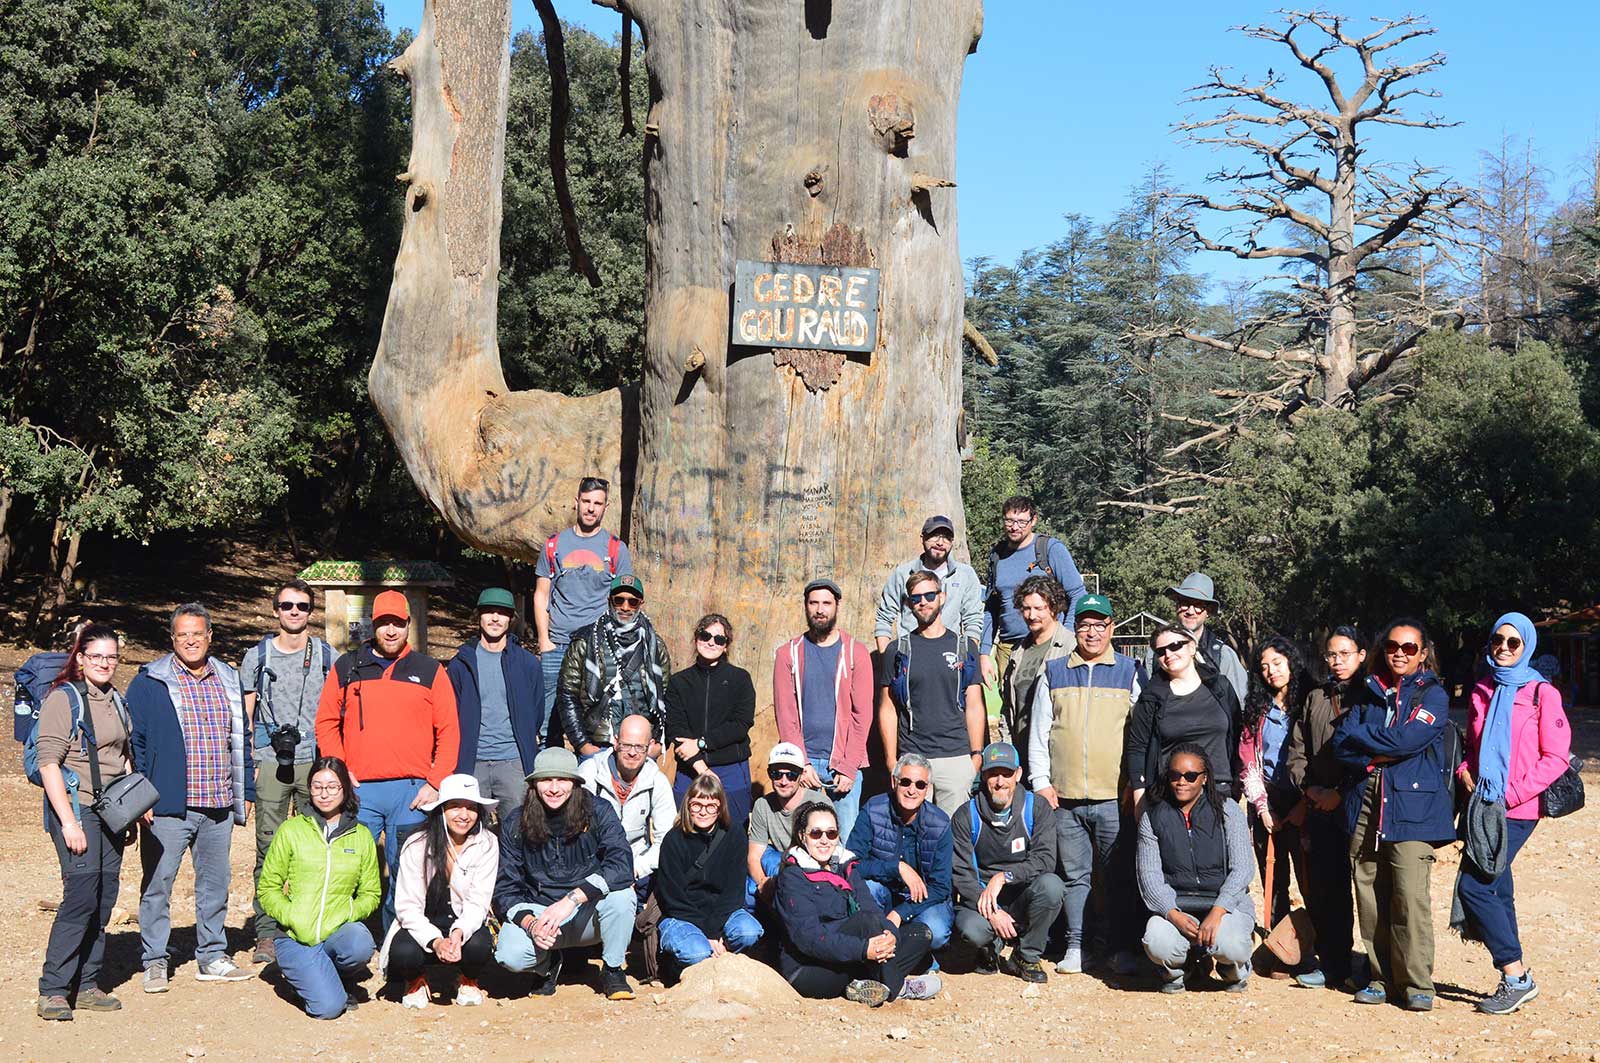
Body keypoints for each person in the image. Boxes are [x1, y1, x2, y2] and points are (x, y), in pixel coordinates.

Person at [314, 589, 460, 929]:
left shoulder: (429, 669)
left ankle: (397, 947)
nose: (391, 631)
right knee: (349, 871)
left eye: (398, 623)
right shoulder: (348, 667)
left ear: (408, 625)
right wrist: (339, 769)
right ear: (372, 626)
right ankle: (350, 944)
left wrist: (436, 781)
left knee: (408, 876)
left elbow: (450, 730)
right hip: (359, 789)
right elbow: (326, 721)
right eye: (383, 623)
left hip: (411, 792)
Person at [129, 602, 255, 993]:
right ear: (172, 639)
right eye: (182, 634)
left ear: (210, 636)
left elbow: (243, 737)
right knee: (158, 885)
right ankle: (154, 960)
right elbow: (134, 742)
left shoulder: (228, 678)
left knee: (215, 885)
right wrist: (141, 797)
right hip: (167, 805)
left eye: (197, 633)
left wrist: (246, 788)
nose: (190, 641)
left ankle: (213, 955)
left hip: (217, 801)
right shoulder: (150, 681)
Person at [1330, 617, 1453, 1012]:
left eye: (1409, 648)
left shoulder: (1433, 696)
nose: (1400, 653)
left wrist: (1369, 742)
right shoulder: (1368, 692)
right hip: (1367, 798)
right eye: (1393, 646)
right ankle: (1380, 977)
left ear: (1423, 653)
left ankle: (1416, 982)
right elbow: (1341, 745)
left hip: (1412, 805)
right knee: (1369, 889)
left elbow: (1408, 739)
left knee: (1409, 895)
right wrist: (1375, 756)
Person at [1456, 612, 1572, 1015]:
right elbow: (1471, 746)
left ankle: (1516, 976)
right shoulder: (1481, 689)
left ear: (1527, 646)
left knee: (1474, 887)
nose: (1503, 648)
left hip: (1517, 808)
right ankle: (1516, 977)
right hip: (1481, 804)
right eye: (1497, 641)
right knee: (1497, 887)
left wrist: (1513, 793)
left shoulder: (1542, 693)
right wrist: (1463, 771)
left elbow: (1556, 756)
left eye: (1513, 643)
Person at [1027, 593, 1143, 975]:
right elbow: (1040, 732)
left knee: (1116, 875)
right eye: (1084, 624)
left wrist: (1135, 781)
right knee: (1074, 876)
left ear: (1111, 628)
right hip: (1065, 797)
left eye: (1099, 624)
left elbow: (1140, 734)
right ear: (1074, 628)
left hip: (1114, 796)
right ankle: (1077, 946)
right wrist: (1041, 781)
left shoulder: (1130, 671)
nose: (1091, 632)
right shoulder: (1055, 671)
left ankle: (1117, 947)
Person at [34, 623, 134, 1021]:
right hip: (77, 810)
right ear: (80, 658)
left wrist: (133, 799)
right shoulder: (64, 700)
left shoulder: (116, 699)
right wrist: (70, 822)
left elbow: (121, 755)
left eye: (111, 656)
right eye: (97, 656)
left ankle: (88, 983)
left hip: (112, 811)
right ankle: (54, 989)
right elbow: (48, 764)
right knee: (80, 895)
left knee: (104, 897)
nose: (105, 663)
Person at [239, 578, 334, 965]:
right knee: (269, 849)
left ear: (311, 612)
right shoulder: (257, 657)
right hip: (269, 761)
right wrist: (249, 766)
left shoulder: (327, 655)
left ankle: (311, 924)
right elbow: (244, 716)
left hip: (315, 764)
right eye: (287, 605)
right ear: (275, 609)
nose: (294, 612)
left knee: (315, 848)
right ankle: (267, 932)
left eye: (302, 606)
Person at [493, 747, 638, 1000]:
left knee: (622, 897)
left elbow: (622, 865)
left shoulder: (599, 811)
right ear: (534, 784)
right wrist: (531, 924)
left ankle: (613, 969)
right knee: (509, 955)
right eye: (546, 780)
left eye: (562, 779)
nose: (554, 788)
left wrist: (572, 899)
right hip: (541, 916)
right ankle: (546, 966)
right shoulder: (516, 822)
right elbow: (505, 889)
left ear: (575, 783)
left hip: (585, 911)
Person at [774, 801, 941, 1005]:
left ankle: (865, 983)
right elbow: (810, 939)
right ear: (802, 836)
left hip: (850, 954)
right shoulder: (793, 877)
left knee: (920, 933)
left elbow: (871, 908)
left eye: (831, 833)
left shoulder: (845, 866)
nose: (824, 840)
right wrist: (863, 950)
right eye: (816, 833)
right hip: (810, 968)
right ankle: (898, 988)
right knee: (866, 923)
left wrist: (889, 936)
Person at [256, 757, 380, 1019]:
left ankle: (331, 975)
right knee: (329, 1009)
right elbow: (268, 888)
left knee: (359, 943)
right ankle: (303, 978)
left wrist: (347, 912)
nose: (324, 794)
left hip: (336, 930)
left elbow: (371, 893)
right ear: (309, 789)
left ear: (345, 788)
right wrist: (292, 916)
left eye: (332, 786)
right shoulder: (291, 830)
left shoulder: (362, 836)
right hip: (295, 937)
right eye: (317, 786)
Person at [1283, 625, 1367, 989]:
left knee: (1370, 891)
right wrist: (1311, 789)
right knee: (1326, 890)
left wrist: (1342, 791)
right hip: (1319, 807)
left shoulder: (1373, 695)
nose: (1337, 661)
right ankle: (1335, 964)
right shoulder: (1315, 697)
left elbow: (1374, 753)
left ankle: (1380, 968)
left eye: (1345, 654)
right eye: (1331, 655)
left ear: (1362, 655)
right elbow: (1297, 748)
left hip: (1362, 805)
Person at [1136, 744, 1256, 993]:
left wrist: (1218, 911)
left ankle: (1233, 970)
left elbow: (1243, 869)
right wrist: (1172, 914)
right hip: (1179, 906)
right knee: (1157, 940)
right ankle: (1179, 970)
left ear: (1204, 778)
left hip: (1224, 907)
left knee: (1231, 944)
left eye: (1190, 776)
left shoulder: (1228, 810)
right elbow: (1149, 878)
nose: (1182, 782)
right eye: (1174, 775)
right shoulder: (1153, 817)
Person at [1237, 634, 1320, 985]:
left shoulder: (1310, 703)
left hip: (1306, 803)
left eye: (1277, 662)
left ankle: (1313, 951)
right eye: (1264, 665)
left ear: (1292, 662)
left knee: (1311, 880)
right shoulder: (1257, 710)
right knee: (1273, 879)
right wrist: (1262, 806)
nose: (1271, 671)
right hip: (1267, 801)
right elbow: (1248, 760)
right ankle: (1279, 951)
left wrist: (1305, 805)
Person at [379, 774, 500, 1010]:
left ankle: (468, 978)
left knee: (479, 945)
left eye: (471, 808)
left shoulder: (487, 843)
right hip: (423, 923)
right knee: (403, 952)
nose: (464, 815)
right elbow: (407, 907)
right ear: (441, 809)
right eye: (455, 807)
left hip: (464, 922)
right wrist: (435, 941)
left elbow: (479, 901)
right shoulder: (417, 844)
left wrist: (458, 933)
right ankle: (416, 980)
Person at [951, 743, 1064, 983]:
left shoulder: (1036, 808)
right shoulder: (966, 815)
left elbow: (1045, 860)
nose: (1000, 781)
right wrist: (994, 912)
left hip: (1022, 896)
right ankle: (989, 947)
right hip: (982, 902)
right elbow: (961, 874)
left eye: (1007, 773)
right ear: (983, 776)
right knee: (971, 930)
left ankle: (1026, 955)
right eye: (993, 774)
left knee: (1052, 886)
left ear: (1019, 774)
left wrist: (1004, 877)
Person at [534, 476, 634, 743]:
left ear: (606, 506)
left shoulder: (616, 549)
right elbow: (541, 593)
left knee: (595, 721)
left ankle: (588, 777)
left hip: (596, 645)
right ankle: (549, 776)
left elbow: (624, 601)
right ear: (576, 502)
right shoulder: (553, 545)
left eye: (597, 503)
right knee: (548, 722)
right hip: (557, 643)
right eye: (587, 501)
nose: (591, 508)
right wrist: (544, 640)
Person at [774, 579, 874, 843]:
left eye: (826, 603)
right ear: (806, 607)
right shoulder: (789, 654)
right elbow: (786, 715)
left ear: (837, 606)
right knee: (801, 840)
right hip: (803, 766)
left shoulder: (856, 653)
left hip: (842, 765)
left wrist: (849, 766)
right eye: (813, 603)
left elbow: (862, 715)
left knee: (843, 841)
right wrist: (801, 764)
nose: (820, 609)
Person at [878, 570, 986, 815]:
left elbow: (975, 704)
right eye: (916, 598)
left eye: (929, 595)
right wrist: (891, 761)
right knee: (914, 836)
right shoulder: (897, 650)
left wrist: (976, 757)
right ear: (909, 604)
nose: (923, 602)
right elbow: (887, 708)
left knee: (954, 840)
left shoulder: (964, 646)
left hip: (956, 758)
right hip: (913, 759)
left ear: (942, 597)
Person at [844, 753, 954, 955]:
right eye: (905, 782)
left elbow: (941, 886)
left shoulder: (940, 823)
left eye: (920, 785)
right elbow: (850, 864)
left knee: (937, 933)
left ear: (927, 789)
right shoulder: (873, 810)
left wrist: (900, 913)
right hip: (884, 891)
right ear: (894, 782)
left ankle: (907, 950)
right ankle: (883, 945)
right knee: (868, 888)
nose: (912, 790)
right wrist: (896, 867)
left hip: (923, 900)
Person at [654, 773, 764, 974]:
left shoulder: (735, 834)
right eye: (697, 805)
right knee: (697, 953)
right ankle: (678, 967)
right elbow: (673, 898)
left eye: (711, 806)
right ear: (688, 805)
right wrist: (708, 934)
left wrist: (714, 930)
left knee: (749, 931)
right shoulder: (674, 840)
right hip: (682, 915)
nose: (703, 812)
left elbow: (734, 890)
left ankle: (724, 964)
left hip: (722, 912)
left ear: (720, 807)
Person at [446, 587, 544, 809]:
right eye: (489, 611)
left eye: (502, 612)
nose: (495, 618)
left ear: (511, 618)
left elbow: (536, 712)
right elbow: (451, 713)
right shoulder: (461, 664)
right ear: (478, 616)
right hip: (472, 762)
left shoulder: (527, 664)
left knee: (517, 832)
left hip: (514, 762)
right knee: (469, 830)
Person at [1124, 623, 1241, 807]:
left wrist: (1237, 782)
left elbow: (1237, 736)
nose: (1168, 654)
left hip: (1220, 792)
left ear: (1192, 647)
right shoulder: (1151, 697)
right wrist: (1140, 799)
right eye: (1161, 651)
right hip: (1171, 797)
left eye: (1175, 646)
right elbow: (1138, 748)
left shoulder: (1220, 687)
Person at [556, 574, 671, 760]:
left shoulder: (654, 646)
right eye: (619, 600)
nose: (625, 607)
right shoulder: (586, 641)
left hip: (640, 746)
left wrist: (657, 743)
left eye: (632, 602)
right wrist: (582, 744)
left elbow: (666, 697)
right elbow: (567, 695)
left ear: (640, 603)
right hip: (598, 743)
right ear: (610, 601)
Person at [979, 496, 1087, 688]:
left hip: (1049, 645)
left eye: (1021, 521)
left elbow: (1078, 593)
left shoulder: (1050, 549)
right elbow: (991, 608)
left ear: (1033, 520)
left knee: (1050, 705)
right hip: (1008, 648)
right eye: (1009, 521)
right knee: (1013, 706)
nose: (1014, 527)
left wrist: (1067, 636)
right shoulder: (997, 555)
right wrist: (985, 652)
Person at [665, 613, 757, 828]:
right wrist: (701, 768)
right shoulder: (679, 682)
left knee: (733, 831)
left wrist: (700, 742)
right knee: (685, 830)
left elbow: (740, 725)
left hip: (731, 767)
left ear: (726, 646)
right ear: (697, 638)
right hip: (690, 768)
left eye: (719, 639)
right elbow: (676, 728)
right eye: (705, 635)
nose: (711, 642)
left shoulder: (740, 679)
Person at [577, 714, 676, 893]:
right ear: (615, 742)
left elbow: (667, 839)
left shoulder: (657, 781)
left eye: (639, 747)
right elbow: (573, 831)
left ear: (651, 746)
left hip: (636, 866)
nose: (632, 752)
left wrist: (635, 869)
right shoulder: (590, 774)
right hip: (592, 864)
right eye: (627, 745)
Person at [999, 575, 1077, 785]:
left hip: (1057, 763)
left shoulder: (1071, 647)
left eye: (1039, 608)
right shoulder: (1018, 652)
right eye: (1026, 608)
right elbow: (1008, 707)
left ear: (1053, 608)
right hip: (1021, 760)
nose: (1031, 615)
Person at [875, 514, 984, 648]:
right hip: (909, 653)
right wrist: (887, 657)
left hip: (949, 655)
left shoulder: (965, 575)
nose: (940, 542)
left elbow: (973, 620)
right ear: (923, 538)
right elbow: (884, 618)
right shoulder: (902, 574)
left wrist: (967, 657)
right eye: (934, 535)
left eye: (946, 538)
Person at [747, 742, 832, 908]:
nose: (783, 781)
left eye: (791, 775)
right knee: (751, 888)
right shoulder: (763, 805)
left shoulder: (818, 803)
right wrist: (763, 884)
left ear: (801, 776)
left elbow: (829, 853)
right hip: (778, 864)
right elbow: (753, 857)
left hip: (811, 866)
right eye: (777, 774)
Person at [1163, 572, 1248, 702]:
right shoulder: (1158, 652)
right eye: (1185, 603)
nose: (1190, 611)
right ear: (1177, 606)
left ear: (1208, 611)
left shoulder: (1222, 655)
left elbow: (1240, 704)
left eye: (1198, 606)